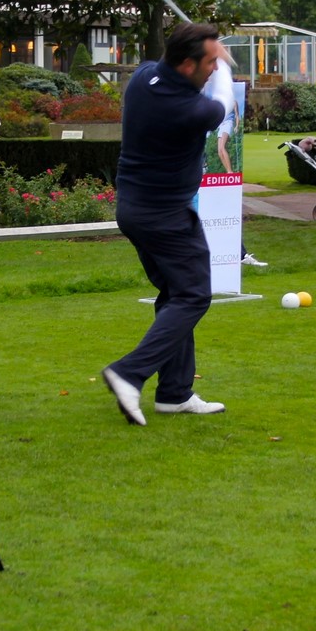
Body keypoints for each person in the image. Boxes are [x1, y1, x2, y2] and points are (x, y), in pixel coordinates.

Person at [101, 22, 230, 425]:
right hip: (166, 216)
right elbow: (222, 103)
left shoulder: (143, 78)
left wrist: (212, 51)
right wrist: (227, 68)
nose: (213, 68)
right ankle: (129, 372)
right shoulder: (191, 109)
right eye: (209, 63)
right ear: (187, 65)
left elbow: (168, 64)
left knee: (176, 294)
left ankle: (175, 393)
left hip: (135, 210)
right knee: (193, 296)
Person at [203, 55, 267, 268]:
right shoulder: (200, 99)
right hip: (192, 178)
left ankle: (239, 254)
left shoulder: (224, 100)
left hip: (223, 129)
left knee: (223, 212)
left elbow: (235, 114)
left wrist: (237, 124)